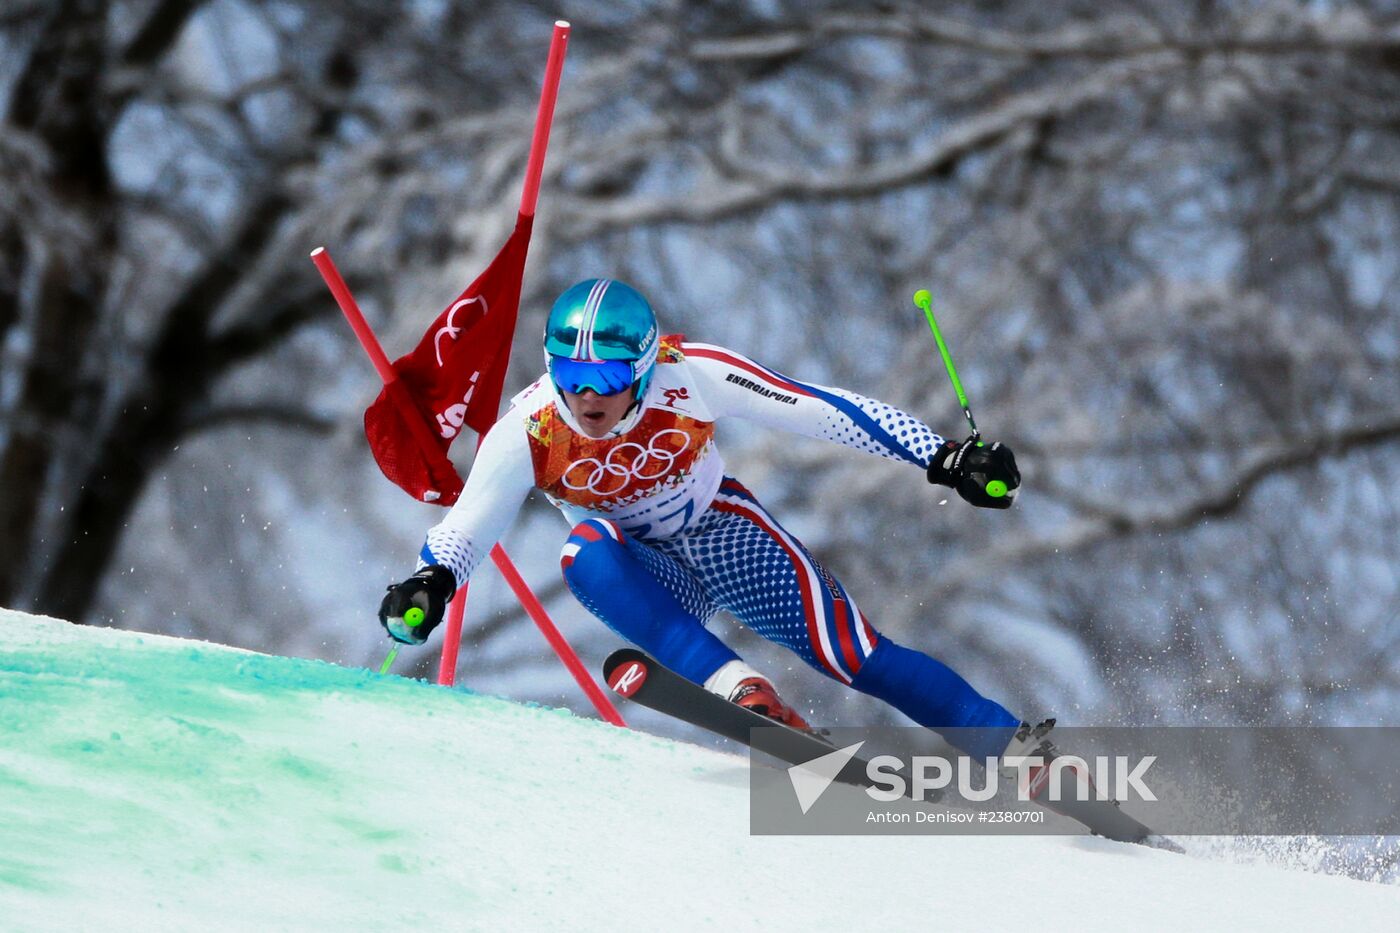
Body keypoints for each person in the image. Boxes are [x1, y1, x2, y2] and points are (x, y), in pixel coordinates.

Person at [379, 278, 1032, 760]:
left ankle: (1016, 751)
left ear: (641, 365)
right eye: (572, 371)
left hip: (726, 534)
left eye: (606, 372)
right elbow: (468, 526)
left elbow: (822, 408)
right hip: (646, 570)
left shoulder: (688, 373)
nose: (587, 393)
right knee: (583, 550)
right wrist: (428, 583)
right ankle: (736, 685)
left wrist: (943, 455)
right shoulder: (530, 427)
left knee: (856, 655)